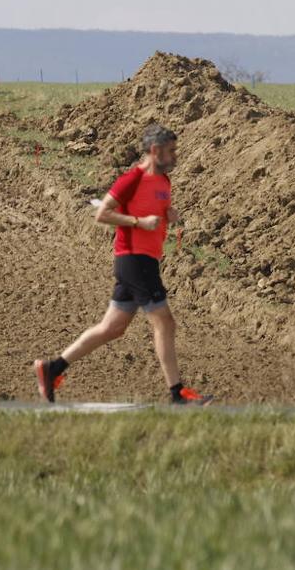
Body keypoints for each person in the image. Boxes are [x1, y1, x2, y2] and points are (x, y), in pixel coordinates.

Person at [34, 123, 213, 406]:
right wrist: (137, 222)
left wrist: (168, 214)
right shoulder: (131, 179)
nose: (176, 156)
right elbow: (102, 214)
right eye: (171, 151)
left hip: (147, 260)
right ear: (155, 151)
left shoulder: (164, 182)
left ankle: (52, 368)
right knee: (165, 322)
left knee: (112, 328)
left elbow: (157, 210)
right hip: (133, 259)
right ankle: (177, 394)